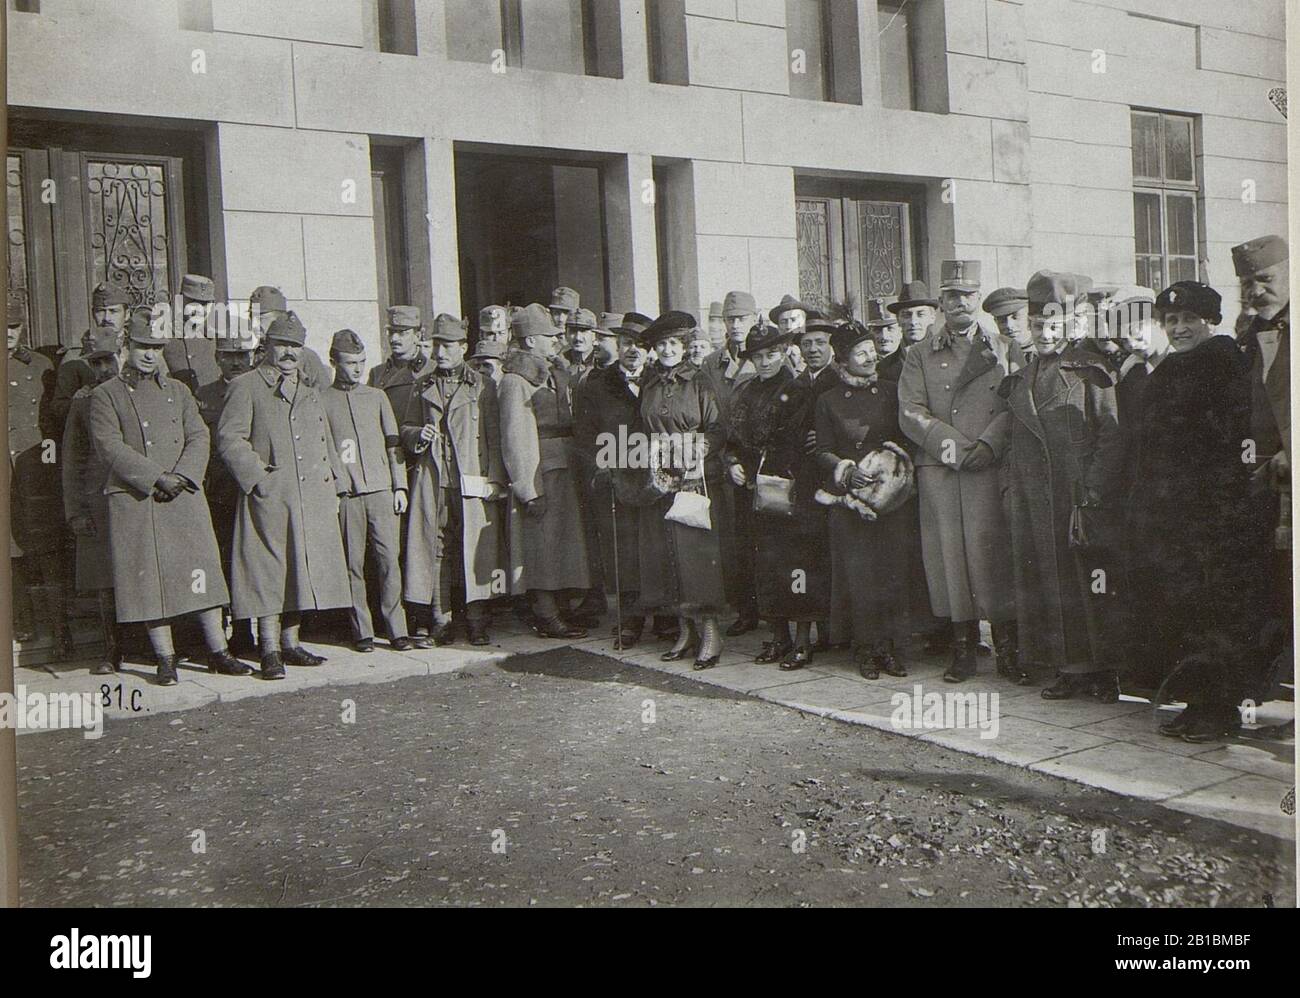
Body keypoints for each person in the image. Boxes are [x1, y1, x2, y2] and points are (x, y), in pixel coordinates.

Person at [1126, 281, 1269, 742]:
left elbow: (1233, 442)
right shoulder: (1171, 367)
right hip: (1172, 518)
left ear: (1211, 321)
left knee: (1218, 613)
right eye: (1171, 321)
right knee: (1184, 610)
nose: (1179, 328)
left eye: (1190, 319)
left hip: (1214, 516)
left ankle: (1219, 709)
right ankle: (1195, 703)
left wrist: (1219, 506)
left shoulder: (1225, 364)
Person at [87, 309, 246, 684]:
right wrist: (156, 477)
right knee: (149, 581)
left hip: (182, 494)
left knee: (201, 571)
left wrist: (183, 475)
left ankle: (218, 651)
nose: (149, 354)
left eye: (156, 347)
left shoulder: (178, 391)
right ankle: (165, 658)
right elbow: (109, 447)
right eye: (142, 346)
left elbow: (199, 436)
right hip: (137, 497)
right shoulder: (105, 395)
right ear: (127, 345)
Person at [1000, 271, 1124, 697]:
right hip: (1037, 499)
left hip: (1080, 496)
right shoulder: (1022, 377)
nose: (1046, 333)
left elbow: (1111, 433)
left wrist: (1094, 490)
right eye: (1038, 325)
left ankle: (1107, 670)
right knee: (1051, 583)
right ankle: (1068, 667)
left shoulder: (1091, 372)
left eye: (1055, 324)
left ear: (1073, 325)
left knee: (1092, 582)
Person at [899, 260, 1019, 683]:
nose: (959, 303)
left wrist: (988, 444)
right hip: (942, 468)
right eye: (951, 295)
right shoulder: (918, 355)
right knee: (950, 559)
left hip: (988, 464)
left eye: (967, 295)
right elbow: (910, 412)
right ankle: (963, 650)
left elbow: (1015, 403)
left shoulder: (1003, 347)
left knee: (993, 556)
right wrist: (955, 448)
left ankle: (1008, 651)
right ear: (941, 303)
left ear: (978, 298)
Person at [217, 311, 351, 679]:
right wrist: (259, 479)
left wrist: (335, 485)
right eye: (282, 345)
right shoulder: (246, 386)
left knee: (300, 570)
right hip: (270, 496)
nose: (289, 352)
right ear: (268, 346)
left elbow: (326, 441)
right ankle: (269, 650)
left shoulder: (310, 392)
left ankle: (291, 644)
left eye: (296, 345)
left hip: (310, 497)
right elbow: (229, 438)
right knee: (268, 573)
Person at [401, 314, 508, 646]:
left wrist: (495, 479)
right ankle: (440, 619)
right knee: (435, 549)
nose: (440, 351)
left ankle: (477, 620)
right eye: (436, 345)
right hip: (434, 480)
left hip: (471, 478)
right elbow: (405, 428)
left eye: (447, 345)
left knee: (477, 548)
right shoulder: (422, 384)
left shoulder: (483, 385)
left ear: (462, 347)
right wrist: (419, 434)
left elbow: (495, 435)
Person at [814, 320, 913, 678]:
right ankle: (866, 649)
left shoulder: (891, 391)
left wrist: (891, 467)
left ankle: (891, 647)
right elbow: (822, 449)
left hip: (890, 500)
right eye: (861, 353)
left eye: (872, 350)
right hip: (851, 502)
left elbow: (907, 437)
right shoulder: (827, 400)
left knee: (892, 572)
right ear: (843, 359)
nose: (870, 357)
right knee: (860, 577)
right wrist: (845, 469)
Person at [725, 322, 828, 669]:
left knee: (796, 565)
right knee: (765, 565)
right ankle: (778, 636)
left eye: (772, 353)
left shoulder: (798, 389)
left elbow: (803, 440)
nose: (765, 361)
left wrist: (788, 472)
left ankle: (802, 641)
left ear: (784, 352)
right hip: (754, 493)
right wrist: (733, 462)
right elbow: (732, 439)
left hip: (791, 487)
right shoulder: (746, 391)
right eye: (759, 355)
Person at [322, 328, 423, 653]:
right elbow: (325, 451)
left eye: (362, 362)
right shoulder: (322, 400)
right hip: (348, 496)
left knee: (388, 561)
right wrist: (339, 489)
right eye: (350, 362)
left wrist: (400, 486)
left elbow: (394, 445)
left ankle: (397, 629)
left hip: (381, 491)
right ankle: (361, 631)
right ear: (334, 362)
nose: (357, 368)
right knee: (353, 564)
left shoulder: (377, 397)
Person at [636, 311, 726, 669]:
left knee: (695, 557)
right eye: (661, 344)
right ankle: (684, 631)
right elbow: (642, 428)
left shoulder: (700, 382)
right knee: (667, 556)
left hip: (693, 477)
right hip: (660, 478)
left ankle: (710, 633)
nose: (668, 349)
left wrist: (697, 450)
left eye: (674, 342)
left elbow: (718, 428)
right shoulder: (651, 384)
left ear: (686, 346)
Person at [498, 303, 592, 638]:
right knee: (542, 546)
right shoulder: (515, 381)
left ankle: (562, 608)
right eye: (546, 336)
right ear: (528, 341)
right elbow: (515, 437)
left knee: (562, 544)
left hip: (563, 467)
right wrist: (527, 488)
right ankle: (547, 614)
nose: (555, 341)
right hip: (541, 473)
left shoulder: (553, 370)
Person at [1232, 235, 1291, 694]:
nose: (1256, 291)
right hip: (1264, 481)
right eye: (1248, 283)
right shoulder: (1248, 332)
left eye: (1266, 279)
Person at [574, 312, 652, 648]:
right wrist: (601, 469)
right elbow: (585, 435)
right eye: (626, 343)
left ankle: (663, 618)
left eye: (640, 344)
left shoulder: (659, 380)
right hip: (616, 478)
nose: (633, 349)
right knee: (623, 552)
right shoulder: (597, 386)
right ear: (616, 345)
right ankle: (629, 621)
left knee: (656, 547)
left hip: (654, 478)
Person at [7, 299, 72, 653]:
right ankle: (22, 623)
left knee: (48, 551)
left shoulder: (42, 366)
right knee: (10, 552)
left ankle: (60, 629)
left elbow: (51, 424)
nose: (7, 334)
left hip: (37, 472)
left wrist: (50, 466)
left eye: (13, 327)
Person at [195, 327, 260, 656]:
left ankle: (255, 631)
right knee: (221, 560)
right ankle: (228, 634)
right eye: (229, 355)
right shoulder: (203, 395)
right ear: (217, 358)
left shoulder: (258, 388)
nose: (237, 361)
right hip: (218, 491)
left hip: (251, 489)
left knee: (252, 561)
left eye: (242, 355)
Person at [61, 327, 122, 675]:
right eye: (96, 362)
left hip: (135, 500)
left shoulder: (135, 393)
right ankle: (112, 650)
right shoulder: (83, 401)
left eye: (108, 360)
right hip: (97, 502)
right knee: (105, 581)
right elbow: (71, 459)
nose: (102, 369)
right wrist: (75, 512)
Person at [700, 290, 760, 635]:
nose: (736, 325)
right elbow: (712, 418)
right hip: (726, 462)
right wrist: (726, 459)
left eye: (742, 319)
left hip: (758, 461)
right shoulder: (712, 364)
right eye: (731, 319)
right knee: (732, 540)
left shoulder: (768, 356)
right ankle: (744, 609)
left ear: (754, 319)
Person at [51, 280, 129, 429]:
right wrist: (81, 401)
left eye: (114, 311)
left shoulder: (139, 350)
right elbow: (58, 409)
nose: (107, 318)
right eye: (100, 311)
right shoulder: (75, 356)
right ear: (93, 314)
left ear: (127, 315)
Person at [247, 285, 332, 387]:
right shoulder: (248, 355)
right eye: (252, 319)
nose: (255, 326)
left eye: (260, 319)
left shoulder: (305, 357)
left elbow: (323, 394)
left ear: (278, 320)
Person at [368, 305, 433, 422]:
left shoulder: (431, 370)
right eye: (391, 332)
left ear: (417, 336)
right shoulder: (377, 373)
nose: (394, 339)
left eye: (402, 333)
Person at [161, 273, 223, 393]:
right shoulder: (165, 335)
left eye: (205, 304)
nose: (199, 309)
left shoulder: (218, 337)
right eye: (193, 302)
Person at [865, 297, 906, 383]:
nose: (884, 336)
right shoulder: (863, 365)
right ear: (869, 333)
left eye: (890, 329)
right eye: (877, 330)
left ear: (901, 331)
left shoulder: (909, 361)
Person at [983, 286, 1032, 356]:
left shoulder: (1049, 354)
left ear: (1030, 317)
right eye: (1002, 320)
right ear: (995, 321)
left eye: (1015, 317)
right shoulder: (992, 356)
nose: (1009, 325)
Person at [889, 279, 938, 348]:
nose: (913, 321)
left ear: (932, 318)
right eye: (906, 315)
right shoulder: (890, 359)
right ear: (898, 319)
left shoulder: (947, 357)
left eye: (920, 315)